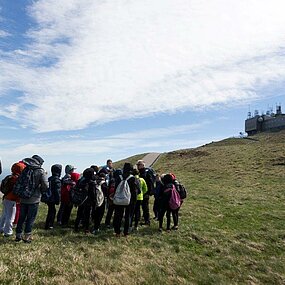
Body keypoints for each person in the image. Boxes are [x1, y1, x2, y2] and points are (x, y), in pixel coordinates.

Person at [15, 155, 48, 243]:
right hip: (34, 199)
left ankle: (18, 235)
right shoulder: (40, 171)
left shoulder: (26, 169)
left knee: (21, 217)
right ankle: (27, 237)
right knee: (30, 218)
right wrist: (41, 189)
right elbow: (45, 185)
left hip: (23, 197)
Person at [113, 163, 140, 237]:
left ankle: (117, 232)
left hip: (119, 199)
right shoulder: (133, 178)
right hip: (130, 200)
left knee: (118, 215)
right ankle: (126, 232)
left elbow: (116, 188)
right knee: (128, 216)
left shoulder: (119, 177)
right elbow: (137, 191)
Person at [0, 162, 26, 237]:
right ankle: (8, 232)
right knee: (10, 217)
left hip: (6, 198)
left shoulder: (10, 177)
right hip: (12, 199)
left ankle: (1, 228)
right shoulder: (17, 179)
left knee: (4, 215)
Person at [136, 160, 155, 225]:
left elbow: (150, 183)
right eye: (137, 165)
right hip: (140, 193)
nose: (137, 166)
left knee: (145, 207)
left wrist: (148, 192)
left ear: (143, 165)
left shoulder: (146, 172)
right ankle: (138, 219)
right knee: (139, 207)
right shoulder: (139, 173)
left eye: (139, 165)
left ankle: (147, 220)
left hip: (145, 193)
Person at [44, 164, 62, 230]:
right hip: (53, 198)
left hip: (48, 197)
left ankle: (48, 224)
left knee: (51, 211)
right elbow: (57, 191)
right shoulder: (57, 180)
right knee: (52, 212)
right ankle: (49, 225)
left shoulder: (50, 178)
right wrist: (58, 200)